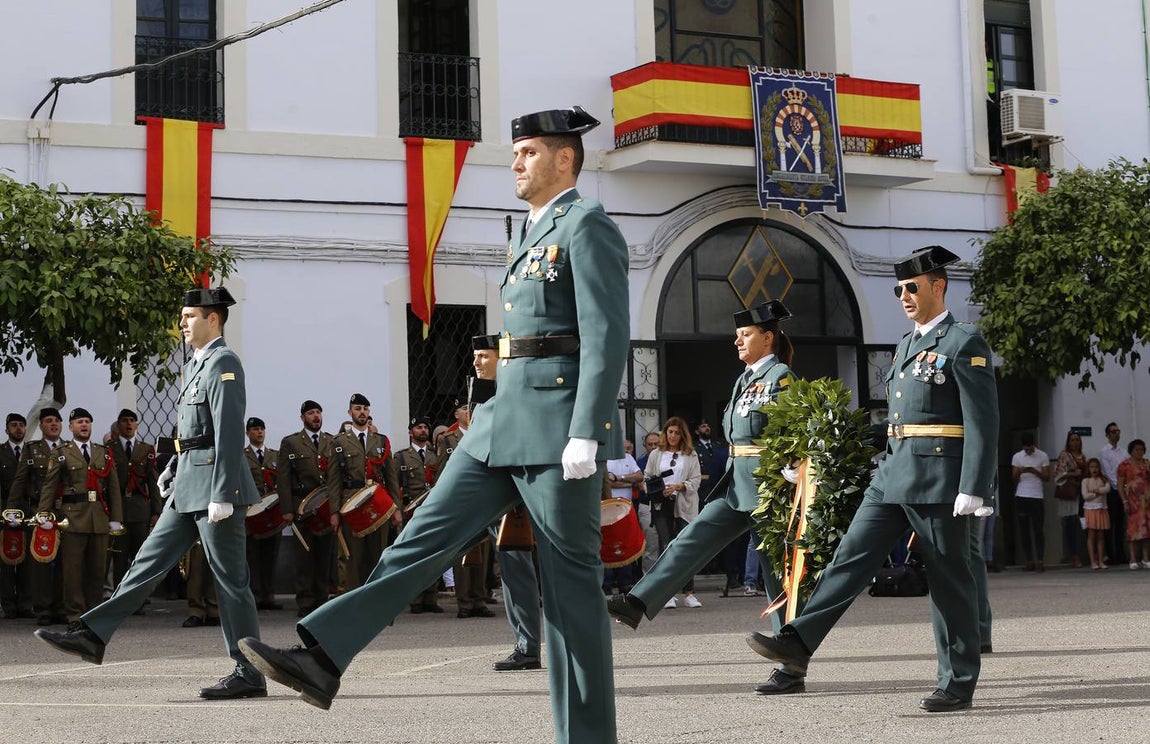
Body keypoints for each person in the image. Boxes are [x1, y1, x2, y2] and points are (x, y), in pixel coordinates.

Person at [237, 106, 628, 744]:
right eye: (515, 152)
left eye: (528, 152)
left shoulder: (586, 226)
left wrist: (588, 429)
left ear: (564, 158)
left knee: (570, 592)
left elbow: (606, 335)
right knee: (419, 541)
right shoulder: (527, 231)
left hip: (557, 430)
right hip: (500, 424)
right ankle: (324, 656)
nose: (515, 163)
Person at [741, 246, 999, 712]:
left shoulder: (963, 342)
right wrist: (833, 438)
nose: (903, 294)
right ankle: (797, 642)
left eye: (912, 287)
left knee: (948, 581)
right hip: (893, 472)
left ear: (938, 287)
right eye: (899, 288)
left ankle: (958, 680)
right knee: (848, 559)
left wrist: (974, 486)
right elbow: (901, 419)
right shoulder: (904, 345)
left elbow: (983, 420)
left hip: (939, 479)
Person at [34, 287, 268, 700]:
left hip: (216, 487)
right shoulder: (196, 365)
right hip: (189, 485)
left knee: (231, 581)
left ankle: (248, 670)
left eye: (190, 315)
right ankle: (93, 634)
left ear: (213, 319)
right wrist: (174, 468)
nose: (182, 323)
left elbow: (229, 431)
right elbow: (195, 434)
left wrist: (224, 491)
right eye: (182, 316)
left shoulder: (223, 362)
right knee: (146, 562)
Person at [609, 300, 804, 692]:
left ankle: (790, 664)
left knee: (776, 577)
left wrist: (792, 466)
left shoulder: (781, 376)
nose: (737, 341)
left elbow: (795, 426)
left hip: (768, 487)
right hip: (736, 484)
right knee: (691, 538)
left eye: (745, 334)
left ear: (768, 337)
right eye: (737, 335)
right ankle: (638, 602)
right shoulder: (743, 379)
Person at [38, 408, 124, 627]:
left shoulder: (102, 452)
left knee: (97, 570)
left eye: (87, 421)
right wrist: (44, 514)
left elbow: (113, 488)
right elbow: (49, 486)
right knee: (73, 571)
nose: (84, 425)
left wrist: (116, 518)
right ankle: (75, 614)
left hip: (99, 518)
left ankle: (93, 613)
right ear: (71, 427)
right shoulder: (61, 452)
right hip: (72, 518)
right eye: (79, 422)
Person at [326, 393, 402, 593]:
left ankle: (376, 596)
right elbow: (333, 480)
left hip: (379, 502)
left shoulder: (381, 441)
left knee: (378, 554)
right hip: (352, 504)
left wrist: (396, 509)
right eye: (358, 408)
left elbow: (391, 478)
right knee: (354, 556)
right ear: (350, 412)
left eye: (365, 409)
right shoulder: (339, 442)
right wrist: (334, 512)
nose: (362, 413)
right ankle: (354, 598)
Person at [277, 400, 336, 617]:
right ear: (302, 417)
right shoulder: (291, 443)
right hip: (301, 507)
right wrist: (287, 510)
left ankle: (321, 599)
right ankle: (305, 601)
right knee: (304, 557)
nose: (316, 417)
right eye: (311, 413)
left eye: (318, 412)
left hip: (325, 507)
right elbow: (283, 478)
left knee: (324, 555)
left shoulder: (331, 441)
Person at [8, 408, 67, 625]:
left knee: (64, 562)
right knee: (41, 562)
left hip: (64, 513)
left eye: (56, 421)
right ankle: (43, 609)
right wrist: (11, 511)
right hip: (39, 514)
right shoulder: (32, 449)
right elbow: (19, 481)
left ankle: (60, 607)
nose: (53, 424)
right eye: (48, 421)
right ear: (41, 426)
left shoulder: (68, 448)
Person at [642, 417, 702, 608]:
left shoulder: (690, 454)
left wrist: (680, 486)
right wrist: (656, 490)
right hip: (662, 505)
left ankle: (689, 592)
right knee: (666, 547)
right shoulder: (656, 454)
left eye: (677, 432)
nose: (673, 436)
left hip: (684, 505)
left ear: (682, 434)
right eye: (670, 432)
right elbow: (646, 479)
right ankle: (667, 593)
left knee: (686, 547)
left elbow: (696, 480)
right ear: (665, 433)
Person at [109, 409, 161, 592]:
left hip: (140, 510)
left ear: (137, 424)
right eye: (124, 420)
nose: (129, 424)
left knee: (140, 557)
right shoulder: (109, 448)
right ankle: (119, 596)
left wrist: (156, 512)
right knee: (120, 558)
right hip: (119, 510)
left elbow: (152, 482)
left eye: (132, 420)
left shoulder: (145, 449)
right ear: (118, 424)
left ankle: (139, 596)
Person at [243, 417, 282, 610]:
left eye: (261, 429)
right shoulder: (243, 456)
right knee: (252, 555)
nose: (259, 432)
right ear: (248, 433)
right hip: (251, 514)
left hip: (272, 513)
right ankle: (254, 595)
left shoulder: (274, 456)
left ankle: (269, 594)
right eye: (255, 429)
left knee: (271, 555)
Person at [1, 412, 34, 620]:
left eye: (21, 425)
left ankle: (25, 603)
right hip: (5, 509)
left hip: (28, 509)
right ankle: (7, 604)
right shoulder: (1, 452)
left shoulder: (32, 452)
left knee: (28, 560)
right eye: (14, 425)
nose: (19, 429)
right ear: (7, 430)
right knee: (6, 559)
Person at [1012, 431, 1050, 571]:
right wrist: (1020, 471)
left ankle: (1040, 559)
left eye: (1030, 448)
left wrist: (1035, 471)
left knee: (1038, 529)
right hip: (1022, 495)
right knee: (1024, 530)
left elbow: (1047, 477)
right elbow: (1013, 479)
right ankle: (1029, 560)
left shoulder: (1042, 456)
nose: (1028, 451)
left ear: (1034, 445)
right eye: (1026, 449)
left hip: (1037, 496)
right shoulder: (1017, 457)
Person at [1116, 439, 1150, 569]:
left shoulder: (1147, 463)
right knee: (1133, 530)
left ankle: (1145, 558)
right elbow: (1120, 485)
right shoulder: (1124, 465)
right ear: (1131, 450)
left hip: (1146, 501)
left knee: (1147, 529)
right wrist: (1124, 500)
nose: (1139, 452)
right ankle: (1133, 558)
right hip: (1132, 501)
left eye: (1141, 449)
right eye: (1137, 449)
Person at [1053, 431, 1086, 567]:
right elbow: (1058, 475)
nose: (1075, 443)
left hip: (1081, 492)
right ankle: (1073, 555)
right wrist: (1073, 474)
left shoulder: (1083, 456)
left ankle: (1084, 553)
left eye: (1077, 440)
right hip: (1069, 493)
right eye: (1072, 440)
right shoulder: (1064, 455)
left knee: (1082, 524)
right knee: (1070, 525)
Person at [1099, 422, 1129, 564]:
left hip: (1123, 490)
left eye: (1118, 431)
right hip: (1112, 491)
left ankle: (1121, 553)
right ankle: (1110, 554)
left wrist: (1125, 487)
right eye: (1113, 431)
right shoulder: (1104, 451)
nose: (1116, 433)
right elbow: (1107, 472)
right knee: (1110, 524)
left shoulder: (1123, 452)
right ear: (1107, 435)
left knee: (1121, 523)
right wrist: (1119, 486)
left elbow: (1126, 470)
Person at [1081, 458, 1112, 570]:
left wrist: (1097, 491)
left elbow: (1107, 488)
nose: (1094, 469)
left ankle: (1100, 560)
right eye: (1092, 467)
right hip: (1090, 510)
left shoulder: (1103, 479)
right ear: (1088, 468)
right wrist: (1096, 495)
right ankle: (1092, 561)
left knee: (1101, 536)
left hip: (1101, 509)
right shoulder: (1085, 481)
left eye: (1096, 467)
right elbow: (1085, 496)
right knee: (1091, 535)